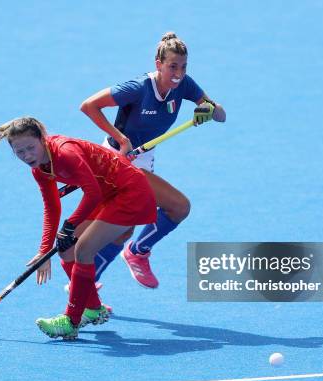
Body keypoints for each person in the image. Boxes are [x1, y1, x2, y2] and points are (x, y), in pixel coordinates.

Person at [79, 32, 226, 288]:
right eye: (172, 67)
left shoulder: (185, 85)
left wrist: (209, 110)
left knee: (123, 230)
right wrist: (121, 139)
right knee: (179, 207)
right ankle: (137, 252)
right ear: (158, 64)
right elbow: (89, 105)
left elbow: (222, 114)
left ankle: (85, 285)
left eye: (183, 66)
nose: (178, 73)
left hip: (144, 160)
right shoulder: (137, 88)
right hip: (118, 160)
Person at [0, 117, 156, 340]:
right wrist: (44, 250)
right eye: (20, 152)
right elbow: (52, 206)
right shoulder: (40, 170)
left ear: (42, 139)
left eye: (30, 147)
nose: (27, 155)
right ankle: (94, 308)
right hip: (109, 195)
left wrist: (70, 225)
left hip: (130, 193)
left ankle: (71, 321)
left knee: (83, 250)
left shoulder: (65, 153)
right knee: (66, 251)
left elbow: (92, 192)